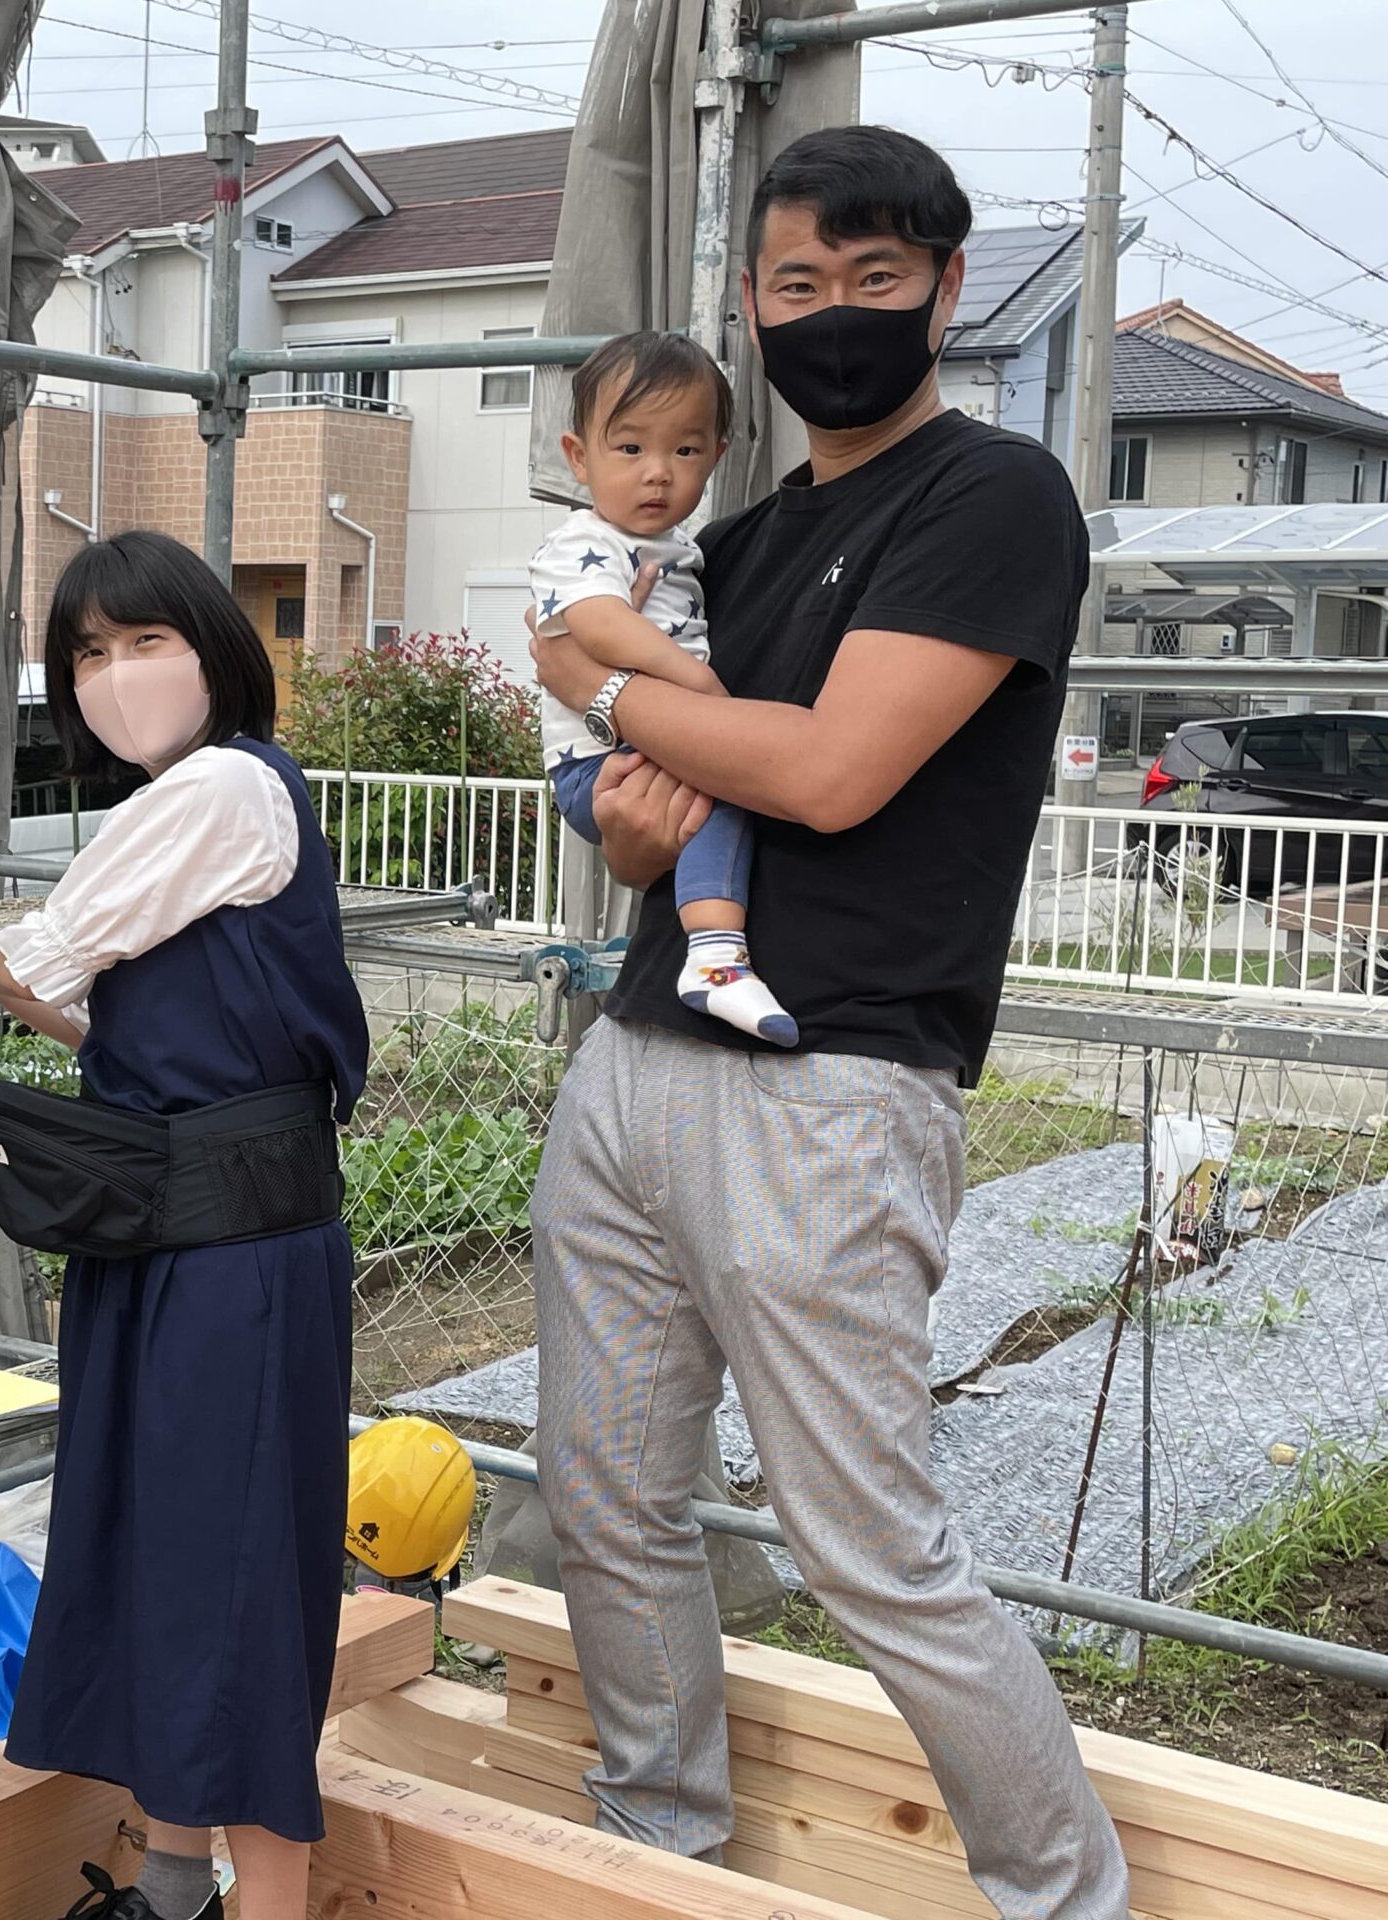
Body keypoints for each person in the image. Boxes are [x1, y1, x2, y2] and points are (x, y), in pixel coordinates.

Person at [528, 125, 1133, 1917]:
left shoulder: (992, 497)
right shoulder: (747, 529)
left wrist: (605, 679)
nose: (837, 315)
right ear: (750, 302)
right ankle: (660, 1842)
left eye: (879, 281)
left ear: (949, 292)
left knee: (868, 1546)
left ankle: (1064, 1896)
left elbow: (833, 771)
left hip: (834, 1082)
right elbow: (652, 781)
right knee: (607, 1502)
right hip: (640, 1053)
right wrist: (625, 797)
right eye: (800, 284)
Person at [0, 529, 369, 1920]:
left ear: (218, 653)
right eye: (87, 653)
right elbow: (94, 1007)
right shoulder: (198, 812)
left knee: (237, 1579)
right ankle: (177, 1885)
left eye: (147, 643)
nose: (115, 675)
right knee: (178, 1562)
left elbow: (56, 948)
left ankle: (259, 1904)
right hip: (177, 1235)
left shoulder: (223, 790)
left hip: (234, 1251)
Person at [529, 330, 794, 1046]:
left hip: (628, 748)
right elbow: (599, 625)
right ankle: (714, 959)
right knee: (729, 787)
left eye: (684, 450)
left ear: (717, 456)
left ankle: (714, 957)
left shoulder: (683, 550)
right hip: (595, 766)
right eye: (630, 448)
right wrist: (698, 686)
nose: (658, 473)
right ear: (578, 457)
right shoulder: (582, 543)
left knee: (729, 791)